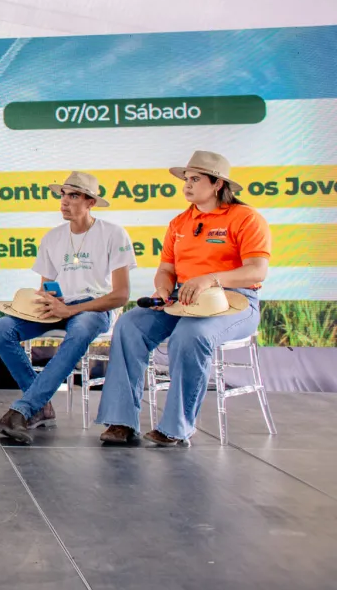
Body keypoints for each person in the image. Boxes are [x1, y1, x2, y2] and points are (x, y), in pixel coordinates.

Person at [97, 151, 270, 446]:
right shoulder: (179, 222)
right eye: (186, 179)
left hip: (235, 301)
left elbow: (257, 270)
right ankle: (121, 421)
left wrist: (210, 279)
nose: (187, 185)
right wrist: (164, 289)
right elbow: (166, 269)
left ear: (217, 184)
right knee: (129, 324)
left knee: (190, 335)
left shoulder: (246, 218)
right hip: (183, 299)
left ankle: (175, 427)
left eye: (195, 179)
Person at [0, 171, 136, 444]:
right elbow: (46, 286)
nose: (64, 201)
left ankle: (23, 409)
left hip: (95, 308)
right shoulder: (52, 238)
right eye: (62, 195)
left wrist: (71, 311)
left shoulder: (114, 234)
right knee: (1, 328)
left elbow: (120, 295)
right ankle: (40, 406)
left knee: (81, 329)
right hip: (59, 307)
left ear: (91, 201)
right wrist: (48, 301)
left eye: (73, 196)